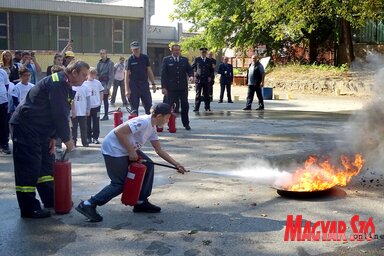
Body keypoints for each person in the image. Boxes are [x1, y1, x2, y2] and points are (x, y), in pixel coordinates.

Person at [76, 103, 188, 222]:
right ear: (159, 116)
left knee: (148, 165)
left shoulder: (152, 127)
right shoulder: (143, 122)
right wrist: (131, 151)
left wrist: (176, 164)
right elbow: (119, 132)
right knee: (120, 183)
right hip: (114, 149)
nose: (168, 120)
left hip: (126, 149)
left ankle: (140, 201)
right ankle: (88, 204)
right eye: (167, 117)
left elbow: (159, 150)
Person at [10, 60, 89, 218]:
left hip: (41, 130)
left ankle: (50, 199)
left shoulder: (64, 83)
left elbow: (56, 112)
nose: (86, 78)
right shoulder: (57, 82)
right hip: (26, 127)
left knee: (46, 166)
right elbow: (59, 114)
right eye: (84, 75)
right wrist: (68, 139)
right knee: (29, 168)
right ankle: (29, 208)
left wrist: (53, 137)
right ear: (74, 72)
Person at [161, 44, 193, 130]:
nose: (176, 52)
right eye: (175, 50)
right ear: (172, 51)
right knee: (169, 107)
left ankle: (186, 123)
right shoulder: (167, 60)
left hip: (182, 88)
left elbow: (189, 69)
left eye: (178, 50)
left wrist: (191, 76)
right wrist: (163, 87)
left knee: (185, 105)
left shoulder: (184, 60)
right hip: (171, 88)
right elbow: (163, 74)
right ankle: (169, 124)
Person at [125, 41, 157, 115]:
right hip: (134, 86)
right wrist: (127, 90)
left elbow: (149, 71)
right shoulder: (130, 59)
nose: (136, 50)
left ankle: (149, 125)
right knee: (134, 109)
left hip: (144, 85)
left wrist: (153, 83)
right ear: (131, 50)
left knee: (149, 107)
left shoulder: (145, 58)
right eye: (134, 49)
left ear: (140, 49)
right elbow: (126, 75)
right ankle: (135, 125)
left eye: (137, 49)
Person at [83, 67, 104, 144]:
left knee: (96, 122)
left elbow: (101, 92)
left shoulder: (97, 83)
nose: (93, 76)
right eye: (91, 74)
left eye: (94, 75)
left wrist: (100, 102)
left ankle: (95, 137)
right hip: (88, 107)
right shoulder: (84, 83)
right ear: (88, 74)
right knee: (87, 122)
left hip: (96, 106)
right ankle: (88, 137)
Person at [192, 47, 214, 112]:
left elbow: (212, 70)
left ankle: (207, 107)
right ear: (200, 52)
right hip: (199, 79)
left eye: (205, 52)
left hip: (206, 79)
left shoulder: (209, 60)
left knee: (206, 94)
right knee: (198, 94)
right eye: (202, 52)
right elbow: (192, 67)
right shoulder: (197, 59)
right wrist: (195, 75)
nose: (203, 53)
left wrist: (210, 77)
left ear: (206, 53)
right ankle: (196, 107)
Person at [71, 79, 91, 147]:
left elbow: (88, 99)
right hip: (74, 113)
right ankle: (74, 142)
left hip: (83, 112)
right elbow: (70, 100)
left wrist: (88, 109)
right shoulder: (72, 87)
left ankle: (84, 141)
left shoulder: (85, 87)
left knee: (84, 128)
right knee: (74, 128)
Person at [97, 49, 114, 121]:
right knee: (98, 100)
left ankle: (106, 115)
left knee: (105, 100)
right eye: (101, 53)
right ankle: (97, 115)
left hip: (106, 83)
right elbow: (97, 73)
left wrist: (108, 86)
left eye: (103, 53)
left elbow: (111, 75)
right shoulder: (99, 63)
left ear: (106, 54)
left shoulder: (110, 63)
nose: (102, 55)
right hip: (99, 82)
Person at [0, 68, 11, 154]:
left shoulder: (3, 72)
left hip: (3, 101)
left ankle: (4, 144)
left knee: (4, 124)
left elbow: (6, 86)